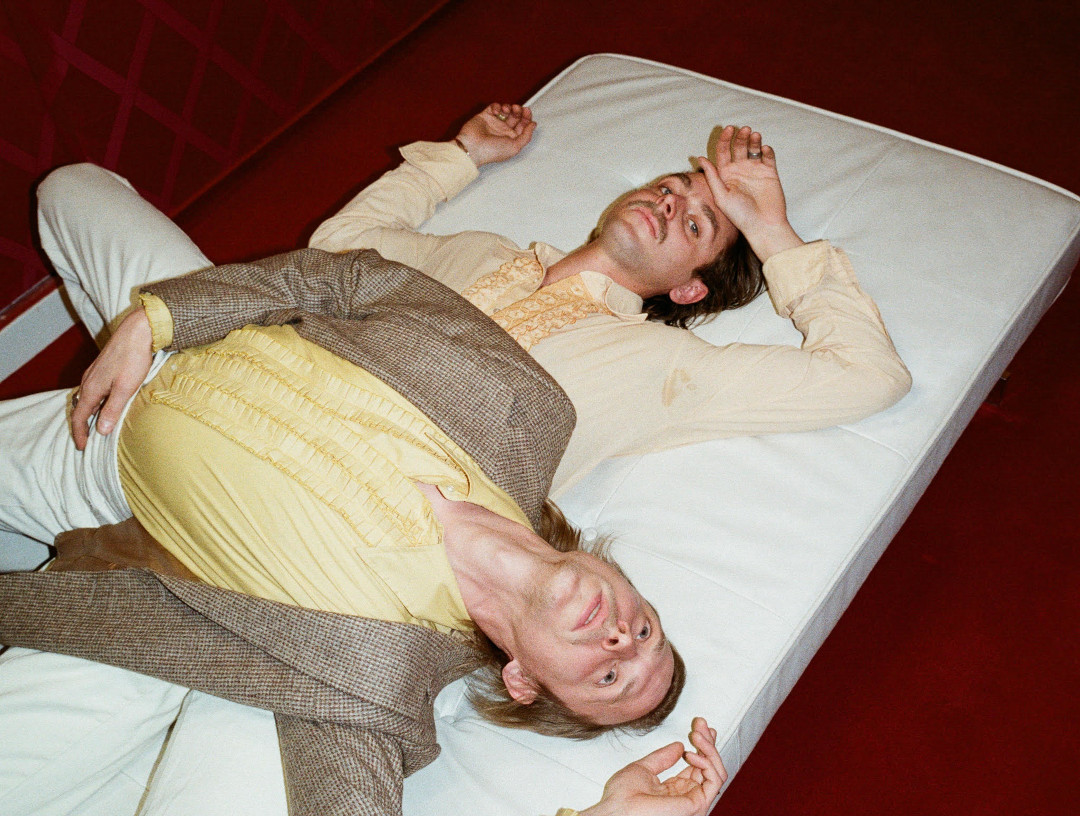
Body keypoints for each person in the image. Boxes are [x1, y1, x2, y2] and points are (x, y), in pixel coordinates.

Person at [0, 243, 724, 816]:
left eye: (610, 675)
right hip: (152, 364)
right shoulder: (530, 408)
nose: (623, 639)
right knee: (77, 190)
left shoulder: (373, 683)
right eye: (646, 630)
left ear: (524, 680)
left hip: (104, 480)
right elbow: (352, 280)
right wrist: (158, 318)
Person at [61, 106, 911, 502]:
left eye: (695, 223)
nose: (667, 201)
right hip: (215, 380)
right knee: (73, 188)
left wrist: (770, 228)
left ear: (689, 289)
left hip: (308, 497)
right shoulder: (485, 254)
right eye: (671, 185)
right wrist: (462, 155)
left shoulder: (662, 367)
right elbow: (341, 243)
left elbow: (867, 377)